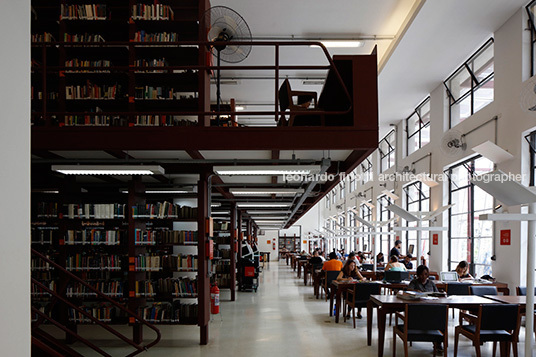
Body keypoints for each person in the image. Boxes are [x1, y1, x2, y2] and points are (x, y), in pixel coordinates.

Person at [407, 265, 442, 353]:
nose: (424, 277)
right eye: (421, 275)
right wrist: (415, 291)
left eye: (426, 274)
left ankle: (439, 343)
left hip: (431, 307)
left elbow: (437, 294)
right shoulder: (414, 282)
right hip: (418, 309)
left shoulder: (431, 283)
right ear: (418, 275)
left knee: (441, 318)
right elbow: (408, 292)